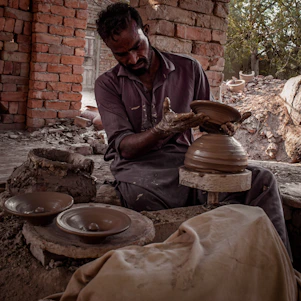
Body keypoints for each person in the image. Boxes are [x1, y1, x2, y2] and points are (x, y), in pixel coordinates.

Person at [94, 2, 290, 252]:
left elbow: (208, 124)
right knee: (142, 202)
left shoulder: (189, 69)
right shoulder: (107, 84)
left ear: (147, 31)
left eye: (136, 47)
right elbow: (125, 148)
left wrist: (224, 127)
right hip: (138, 170)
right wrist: (161, 130)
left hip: (185, 163)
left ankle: (282, 266)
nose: (132, 59)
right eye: (121, 55)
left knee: (262, 181)